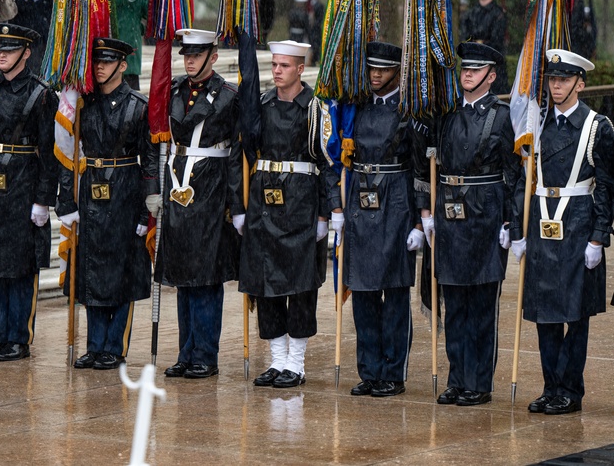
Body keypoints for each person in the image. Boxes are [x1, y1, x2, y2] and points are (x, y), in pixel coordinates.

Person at [511, 49, 614, 415]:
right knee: (545, 313)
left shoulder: (597, 127)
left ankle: (571, 389)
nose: (557, 86)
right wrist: (517, 230)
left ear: (580, 84)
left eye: (565, 80)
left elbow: (605, 186)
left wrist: (599, 237)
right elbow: (521, 181)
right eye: (553, 79)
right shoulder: (536, 123)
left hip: (577, 224)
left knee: (576, 314)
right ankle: (550, 386)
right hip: (542, 222)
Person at [426, 41, 519, 406]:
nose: (467, 74)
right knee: (455, 303)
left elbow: (513, 174)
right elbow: (432, 165)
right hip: (451, 213)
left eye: (476, 70)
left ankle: (479, 381)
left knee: (481, 304)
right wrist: (427, 211)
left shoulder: (502, 116)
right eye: (465, 68)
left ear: (491, 76)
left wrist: (511, 222)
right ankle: (457, 377)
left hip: (485, 215)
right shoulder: (447, 114)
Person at [58, 38, 157, 371]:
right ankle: (94, 344)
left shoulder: (137, 106)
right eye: (96, 60)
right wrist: (67, 200)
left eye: (108, 60)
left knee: (122, 272)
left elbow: (150, 162)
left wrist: (147, 209)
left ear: (122, 65)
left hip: (125, 192)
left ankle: (115, 346)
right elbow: (69, 154)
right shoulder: (83, 103)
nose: (99, 66)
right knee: (91, 271)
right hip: (91, 189)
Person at [240, 40, 334, 389]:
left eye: (284, 65)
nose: (276, 71)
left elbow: (327, 164)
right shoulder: (261, 105)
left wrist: (327, 213)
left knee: (300, 285)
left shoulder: (314, 110)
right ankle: (277, 360)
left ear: (300, 69)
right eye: (274, 65)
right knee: (267, 284)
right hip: (266, 202)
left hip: (301, 203)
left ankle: (296, 362)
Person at [344, 41, 430, 398]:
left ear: (398, 71)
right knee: (363, 291)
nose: (375, 75)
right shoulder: (358, 106)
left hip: (396, 200)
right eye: (372, 69)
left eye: (383, 70)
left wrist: (417, 221)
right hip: (362, 198)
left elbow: (421, 167)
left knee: (394, 292)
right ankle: (370, 369)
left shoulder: (409, 111)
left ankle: (393, 372)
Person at [158, 29, 242, 380]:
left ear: (213, 56)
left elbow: (238, 153)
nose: (189, 60)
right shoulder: (175, 89)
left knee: (206, 276)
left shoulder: (227, 96)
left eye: (196, 55)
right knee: (182, 273)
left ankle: (206, 354)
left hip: (211, 187)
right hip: (179, 186)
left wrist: (237, 204)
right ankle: (186, 351)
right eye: (186, 55)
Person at [0, 23, 58, 362]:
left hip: (23, 185)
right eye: (0, 49)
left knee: (21, 266)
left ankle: (18, 338)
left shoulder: (41, 94)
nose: (2, 55)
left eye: (9, 50)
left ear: (26, 53)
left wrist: (43, 200)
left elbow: (50, 153)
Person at [460, 0, 509, 94]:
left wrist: (477, 45)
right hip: (472, 62)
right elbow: (465, 37)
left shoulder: (498, 14)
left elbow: (496, 42)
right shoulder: (470, 14)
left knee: (494, 101)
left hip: (492, 64)